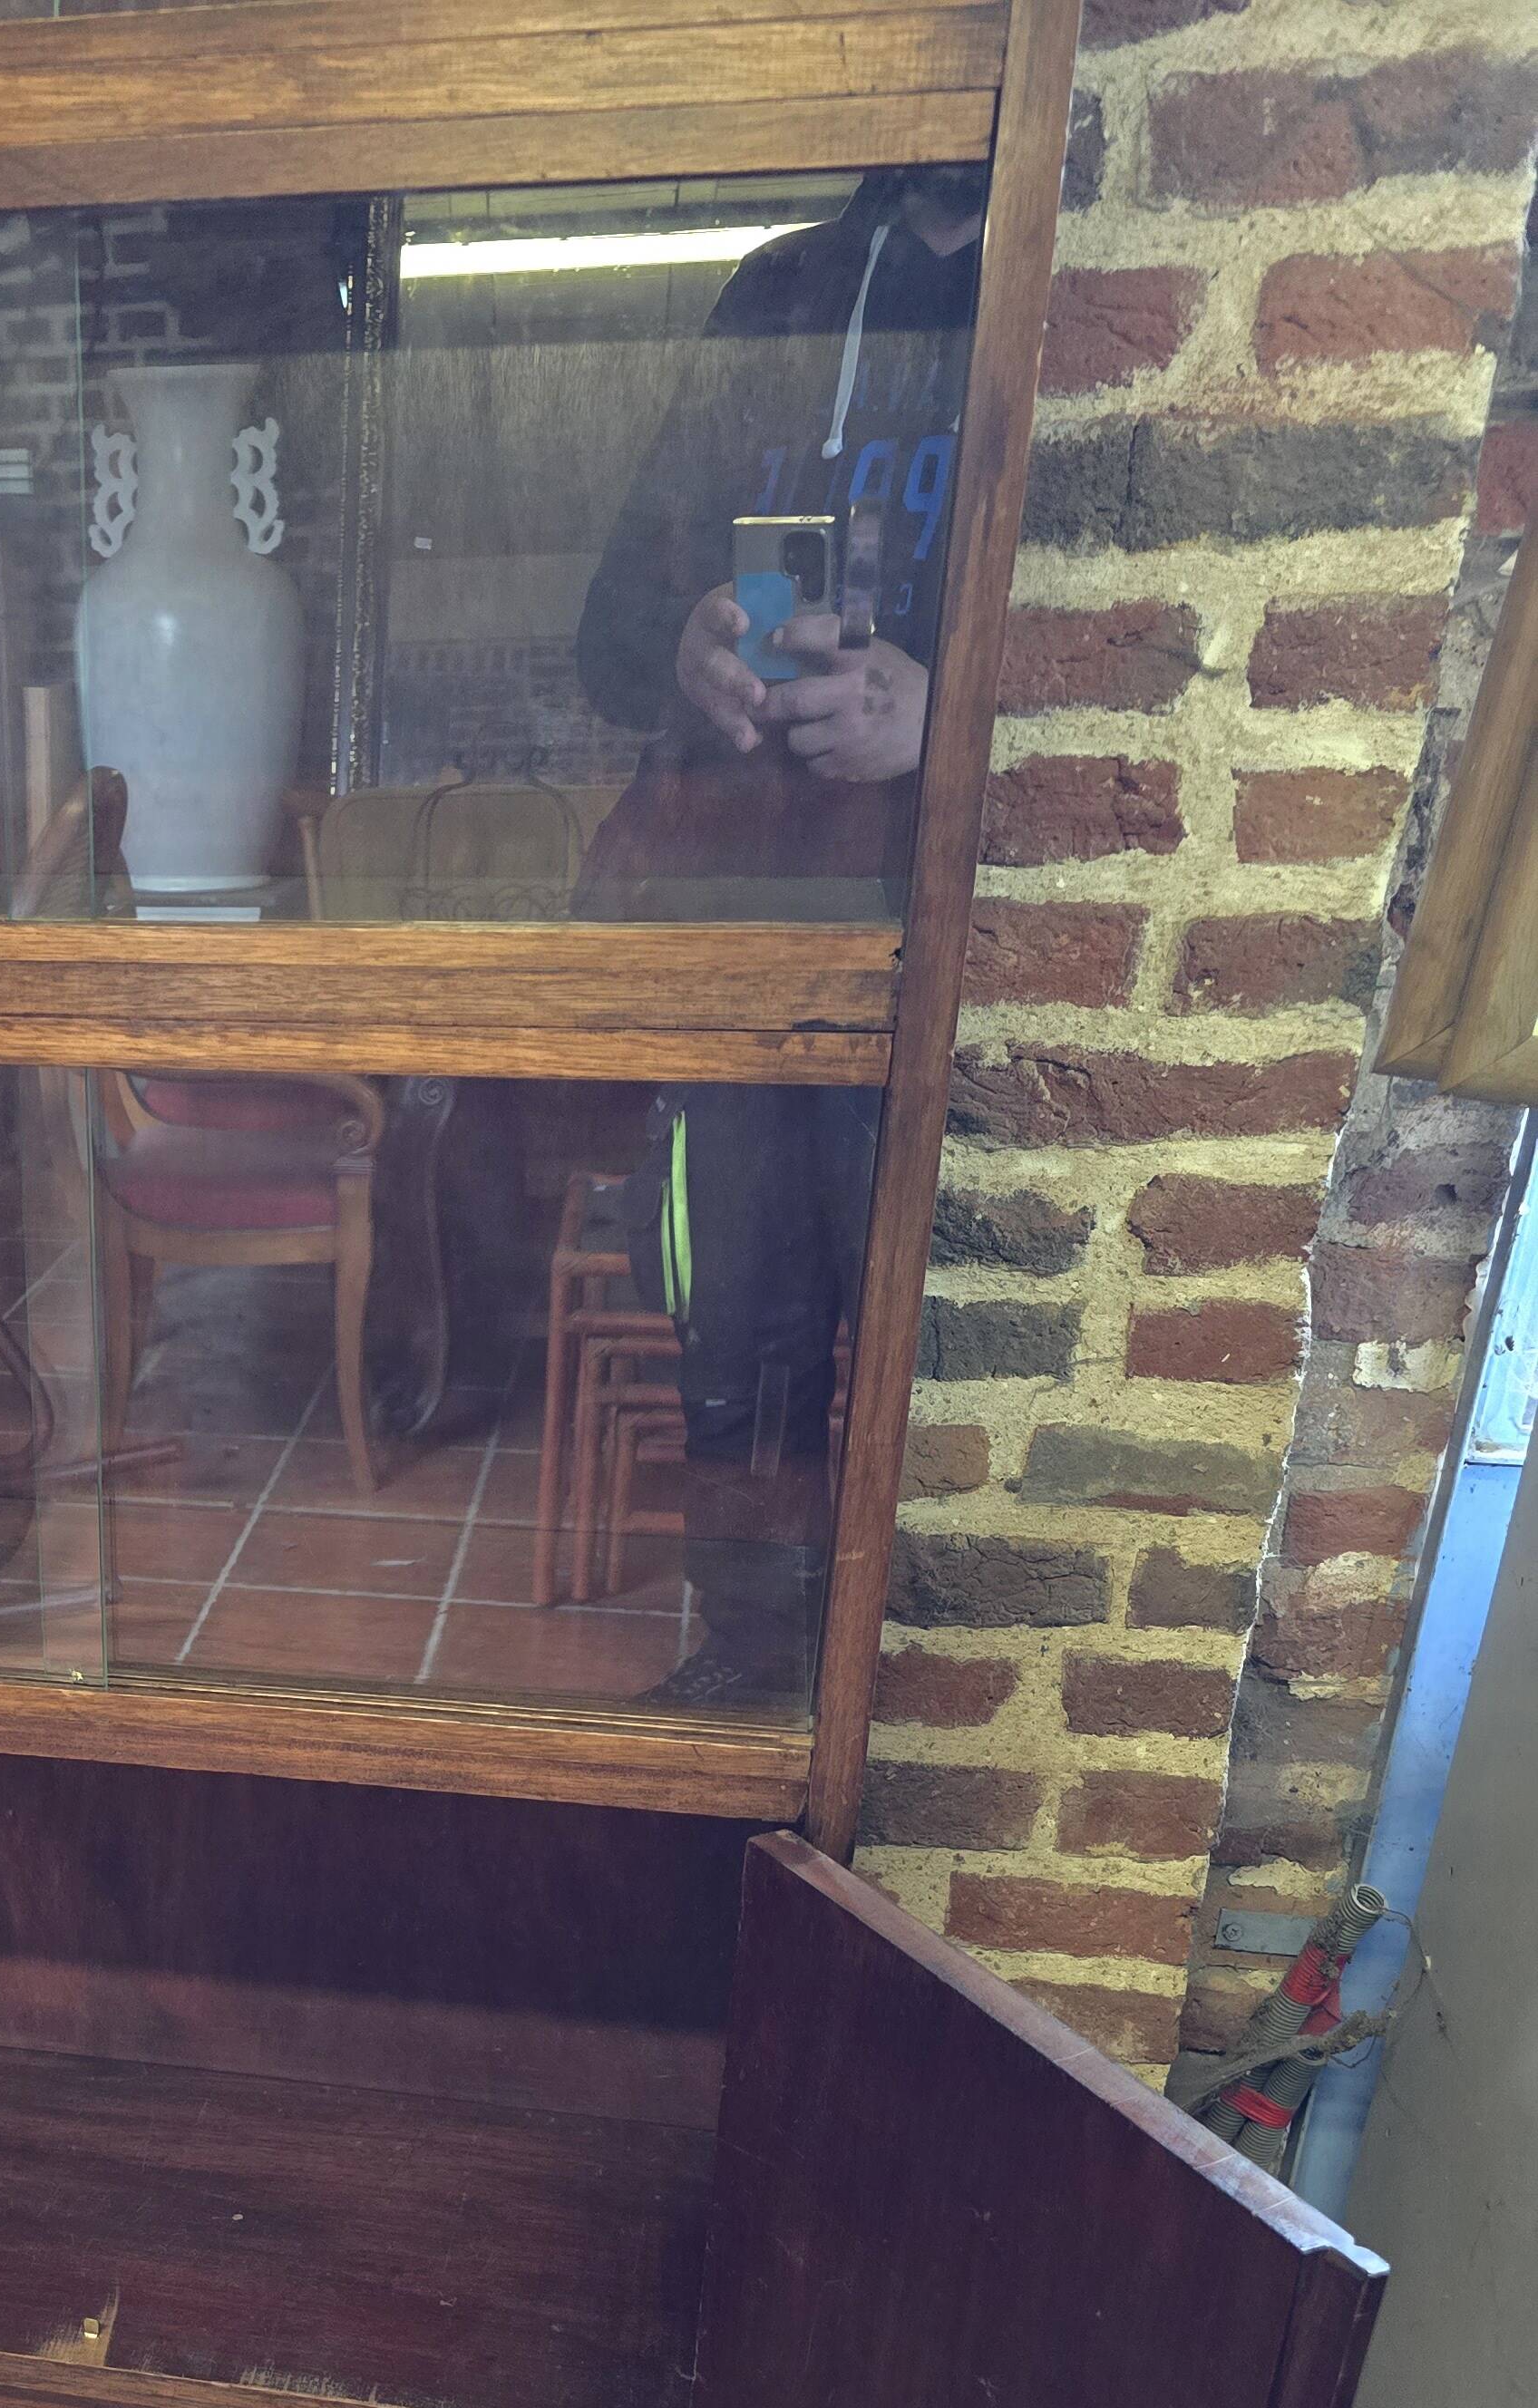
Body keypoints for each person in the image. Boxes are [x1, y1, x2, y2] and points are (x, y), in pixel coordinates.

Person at [570, 165, 988, 1711]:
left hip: (948, 953)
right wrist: (679, 642)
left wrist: (950, 717)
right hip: (734, 943)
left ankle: (910, 1716)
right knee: (729, 1332)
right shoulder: (780, 291)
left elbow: (1160, 656)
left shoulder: (1069, 280)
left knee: (934, 1343)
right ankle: (744, 1662)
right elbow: (604, 630)